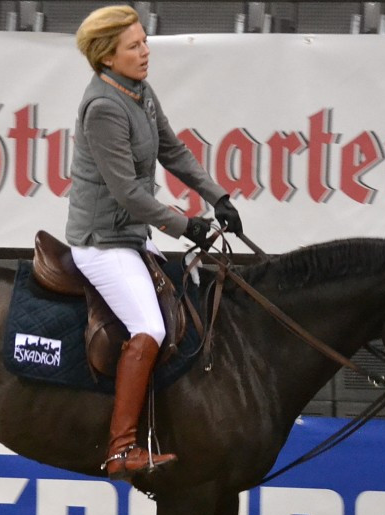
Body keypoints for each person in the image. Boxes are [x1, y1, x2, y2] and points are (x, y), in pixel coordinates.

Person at [65, 4, 243, 482]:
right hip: (102, 242)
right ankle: (121, 447)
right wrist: (188, 226)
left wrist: (217, 196)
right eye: (134, 46)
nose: (145, 52)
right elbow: (129, 193)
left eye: (144, 42)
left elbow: (174, 151)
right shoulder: (103, 106)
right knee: (151, 327)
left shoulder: (139, 91)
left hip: (133, 237)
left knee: (191, 299)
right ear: (107, 56)